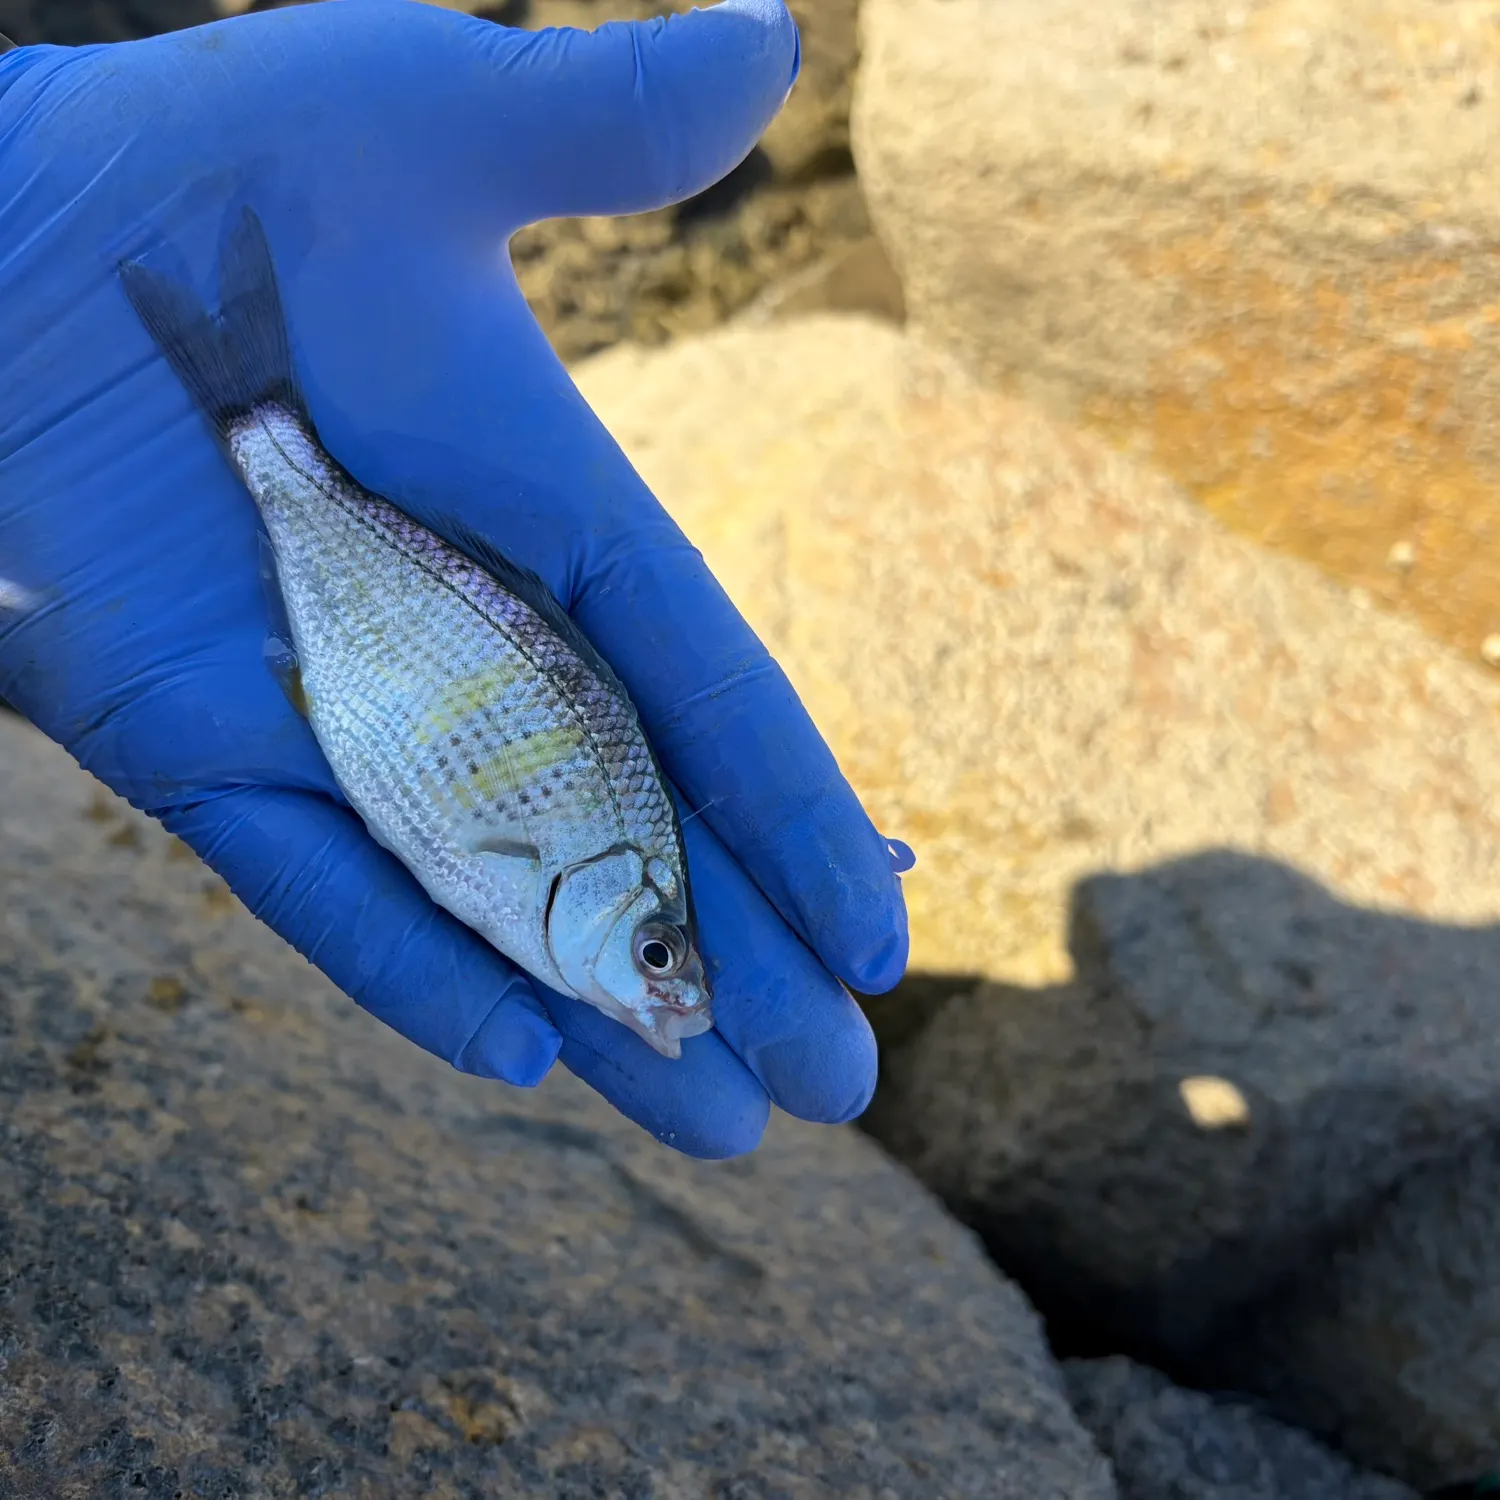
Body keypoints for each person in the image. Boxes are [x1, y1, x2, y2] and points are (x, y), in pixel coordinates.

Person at [0, 0, 909, 1159]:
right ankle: (262, 425)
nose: (667, 986)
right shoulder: (562, 884)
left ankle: (260, 423)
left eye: (660, 959)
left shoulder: (569, 894)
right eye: (656, 952)